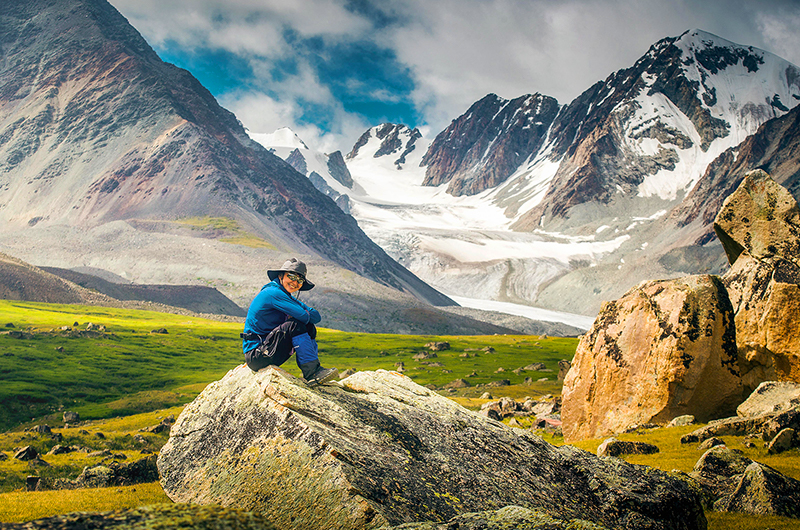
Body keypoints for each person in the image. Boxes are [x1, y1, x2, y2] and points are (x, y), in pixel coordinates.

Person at [240, 258, 338, 386]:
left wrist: (302, 312)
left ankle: (314, 370)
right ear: (281, 275)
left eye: (300, 280)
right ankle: (312, 372)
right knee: (295, 326)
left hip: (267, 349)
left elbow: (316, 317)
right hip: (257, 355)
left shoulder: (284, 296)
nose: (295, 282)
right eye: (291, 276)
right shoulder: (273, 293)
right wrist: (302, 311)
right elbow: (304, 315)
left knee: (308, 327)